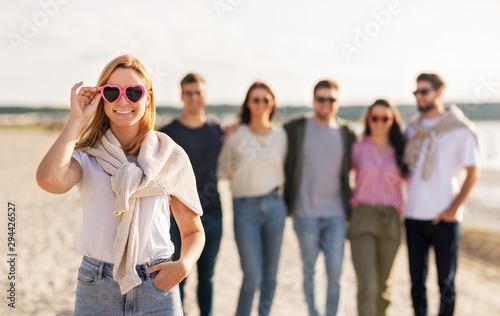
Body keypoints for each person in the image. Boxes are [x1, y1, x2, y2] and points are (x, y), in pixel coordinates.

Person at [36, 55, 205, 315]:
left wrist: (183, 266)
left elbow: (193, 232)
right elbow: (48, 180)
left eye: (134, 92)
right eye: (112, 91)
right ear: (102, 97)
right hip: (97, 286)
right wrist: (76, 119)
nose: (123, 100)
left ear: (147, 98)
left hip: (157, 286)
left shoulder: (169, 156)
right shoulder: (88, 156)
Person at [403, 73, 480, 316]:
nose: (419, 97)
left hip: (445, 218)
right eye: (416, 93)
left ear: (439, 92)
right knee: (417, 282)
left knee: (445, 284)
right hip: (414, 215)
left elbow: (472, 173)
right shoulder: (411, 129)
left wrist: (452, 210)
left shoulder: (460, 129)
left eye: (424, 91)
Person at [284, 79, 356, 316]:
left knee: (336, 273)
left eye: (331, 99)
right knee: (310, 273)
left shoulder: (347, 133)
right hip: (305, 215)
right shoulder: (297, 128)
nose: (326, 103)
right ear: (313, 101)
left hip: (336, 215)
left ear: (337, 102)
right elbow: (265, 130)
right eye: (321, 99)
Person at [217, 81, 288, 316]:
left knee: (270, 276)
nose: (260, 104)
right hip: (244, 208)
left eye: (265, 99)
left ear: (273, 103)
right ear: (248, 103)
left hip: (276, 207)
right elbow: (222, 169)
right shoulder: (236, 135)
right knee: (252, 276)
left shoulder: (281, 135)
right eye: (255, 99)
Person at [159, 73, 223, 316]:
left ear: (204, 96)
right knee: (179, 275)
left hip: (213, 213)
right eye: (189, 93)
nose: (194, 98)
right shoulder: (167, 133)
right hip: (177, 216)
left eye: (198, 93)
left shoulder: (218, 131)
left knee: (208, 278)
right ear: (181, 96)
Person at [349, 99, 409, 316]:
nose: (380, 122)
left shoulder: (402, 149)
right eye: (375, 118)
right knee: (367, 283)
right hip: (363, 218)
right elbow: (341, 177)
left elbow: (413, 182)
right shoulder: (358, 148)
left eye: (386, 118)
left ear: (392, 120)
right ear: (368, 120)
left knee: (383, 287)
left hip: (390, 220)